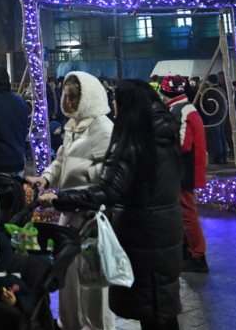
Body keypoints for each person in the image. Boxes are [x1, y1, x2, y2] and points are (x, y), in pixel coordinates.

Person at [42, 79, 183, 330]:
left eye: (116, 100)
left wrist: (60, 198)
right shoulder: (161, 135)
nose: (113, 105)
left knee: (151, 306)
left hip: (142, 232)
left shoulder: (128, 140)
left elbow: (108, 189)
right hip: (165, 229)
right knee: (160, 304)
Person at [27, 71, 117, 329]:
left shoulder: (103, 129)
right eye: (66, 96)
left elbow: (106, 176)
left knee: (93, 285)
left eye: (73, 97)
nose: (67, 102)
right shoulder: (72, 126)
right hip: (68, 212)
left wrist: (72, 182)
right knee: (69, 279)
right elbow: (61, 160)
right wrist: (45, 178)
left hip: (91, 217)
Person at [156, 75, 209, 274]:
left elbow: (183, 144)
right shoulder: (185, 108)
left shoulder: (179, 110)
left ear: (166, 94)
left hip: (183, 169)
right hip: (186, 168)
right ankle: (189, 251)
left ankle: (197, 256)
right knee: (184, 211)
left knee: (187, 213)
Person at [197, 74, 230, 164]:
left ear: (209, 81)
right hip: (222, 116)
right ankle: (224, 155)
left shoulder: (210, 91)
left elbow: (207, 103)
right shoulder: (221, 90)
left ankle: (219, 157)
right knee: (222, 136)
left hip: (214, 116)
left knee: (216, 137)